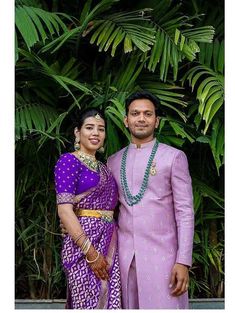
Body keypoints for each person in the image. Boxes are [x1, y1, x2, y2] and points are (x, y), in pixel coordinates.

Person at [107, 91, 194, 309]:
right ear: (126, 120)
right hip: (125, 259)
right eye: (135, 113)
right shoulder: (113, 161)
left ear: (157, 121)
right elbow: (104, 207)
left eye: (148, 114)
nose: (141, 118)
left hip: (164, 259)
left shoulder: (173, 157)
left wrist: (183, 261)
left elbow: (185, 212)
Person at [54, 108, 121, 309]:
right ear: (77, 132)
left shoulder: (105, 168)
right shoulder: (68, 161)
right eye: (89, 127)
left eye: (101, 129)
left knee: (110, 299)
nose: (95, 133)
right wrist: (90, 253)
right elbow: (64, 210)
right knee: (87, 302)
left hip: (110, 241)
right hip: (81, 245)